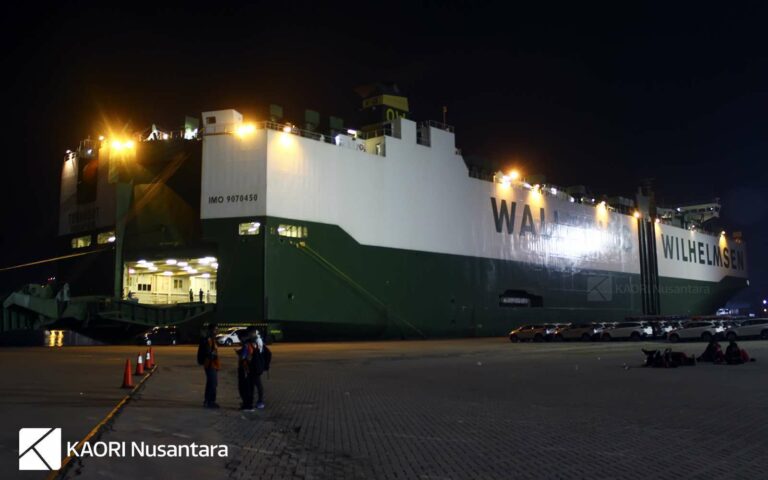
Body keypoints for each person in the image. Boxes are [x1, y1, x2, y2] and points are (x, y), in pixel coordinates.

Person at [236, 327, 271, 411]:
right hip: (254, 367)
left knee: (254, 385)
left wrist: (243, 356)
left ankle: (255, 402)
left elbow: (248, 356)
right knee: (252, 385)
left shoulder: (254, 342)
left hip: (254, 368)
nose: (240, 339)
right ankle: (250, 402)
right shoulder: (253, 341)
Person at [197, 324, 220, 408]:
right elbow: (208, 353)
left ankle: (207, 401)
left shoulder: (212, 340)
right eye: (215, 330)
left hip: (212, 364)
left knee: (210, 383)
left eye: (217, 329)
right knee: (213, 384)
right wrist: (212, 354)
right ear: (210, 330)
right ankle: (210, 402)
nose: (217, 331)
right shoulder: (208, 340)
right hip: (210, 364)